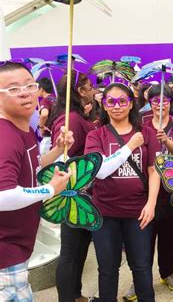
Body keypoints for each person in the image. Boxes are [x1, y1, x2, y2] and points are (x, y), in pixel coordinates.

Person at [0, 61, 73, 302]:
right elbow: (3, 196)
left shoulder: (22, 128)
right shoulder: (5, 137)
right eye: (12, 88)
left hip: (18, 246)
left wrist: (57, 150)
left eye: (29, 85)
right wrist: (50, 189)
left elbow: (31, 162)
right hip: (5, 251)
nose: (24, 92)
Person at [84, 83, 160, 302]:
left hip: (139, 212)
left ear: (131, 104)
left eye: (122, 101)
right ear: (104, 105)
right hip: (104, 214)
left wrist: (151, 204)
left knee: (142, 268)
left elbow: (153, 170)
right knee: (107, 269)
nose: (117, 106)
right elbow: (99, 171)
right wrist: (130, 146)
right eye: (111, 101)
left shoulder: (146, 133)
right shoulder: (96, 136)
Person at [48, 70, 97, 302]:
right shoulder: (71, 120)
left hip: (84, 194)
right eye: (91, 87)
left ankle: (75, 294)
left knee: (79, 249)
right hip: (73, 194)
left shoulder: (77, 117)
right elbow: (65, 157)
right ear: (80, 91)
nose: (95, 91)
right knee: (69, 252)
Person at [145, 84, 173, 291]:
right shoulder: (142, 125)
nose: (160, 106)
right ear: (149, 102)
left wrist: (167, 142)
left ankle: (167, 273)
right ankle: (140, 279)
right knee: (144, 238)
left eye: (165, 102)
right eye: (155, 102)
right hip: (148, 191)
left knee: (169, 235)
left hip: (171, 190)